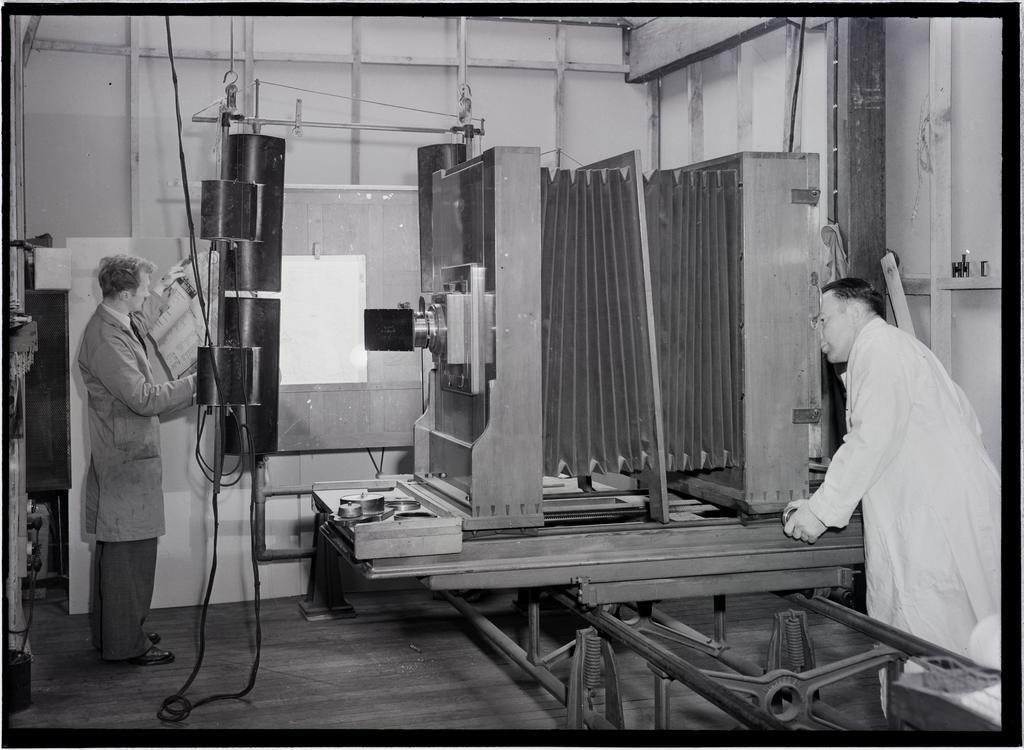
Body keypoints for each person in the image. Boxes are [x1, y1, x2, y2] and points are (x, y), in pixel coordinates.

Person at [783, 277, 1000, 658]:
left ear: (852, 312)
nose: (819, 332)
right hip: (942, 512)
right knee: (951, 640)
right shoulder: (894, 349)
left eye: (823, 319)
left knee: (937, 640)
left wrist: (817, 513)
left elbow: (870, 441)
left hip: (937, 523)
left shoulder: (881, 350)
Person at [78, 254, 197, 666]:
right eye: (144, 289)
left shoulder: (118, 321)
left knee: (121, 554)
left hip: (126, 457)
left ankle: (114, 635)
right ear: (126, 292)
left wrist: (174, 285)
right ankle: (127, 646)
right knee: (129, 557)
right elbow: (143, 398)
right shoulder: (106, 339)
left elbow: (146, 321)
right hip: (125, 461)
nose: (147, 295)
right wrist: (198, 383)